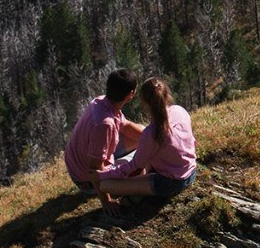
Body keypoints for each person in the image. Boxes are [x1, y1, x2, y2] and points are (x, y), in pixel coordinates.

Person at [99, 78, 197, 200]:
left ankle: (138, 196)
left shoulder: (151, 133)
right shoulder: (180, 110)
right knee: (148, 159)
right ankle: (140, 190)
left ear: (144, 102)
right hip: (191, 171)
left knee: (105, 185)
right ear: (167, 94)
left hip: (170, 183)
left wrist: (103, 174)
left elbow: (133, 166)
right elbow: (192, 142)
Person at [65, 69, 145, 208]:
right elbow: (94, 169)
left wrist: (152, 138)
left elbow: (125, 125)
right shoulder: (104, 125)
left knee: (143, 134)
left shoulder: (101, 101)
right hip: (86, 180)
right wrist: (106, 201)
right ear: (130, 95)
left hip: (78, 162)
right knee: (142, 160)